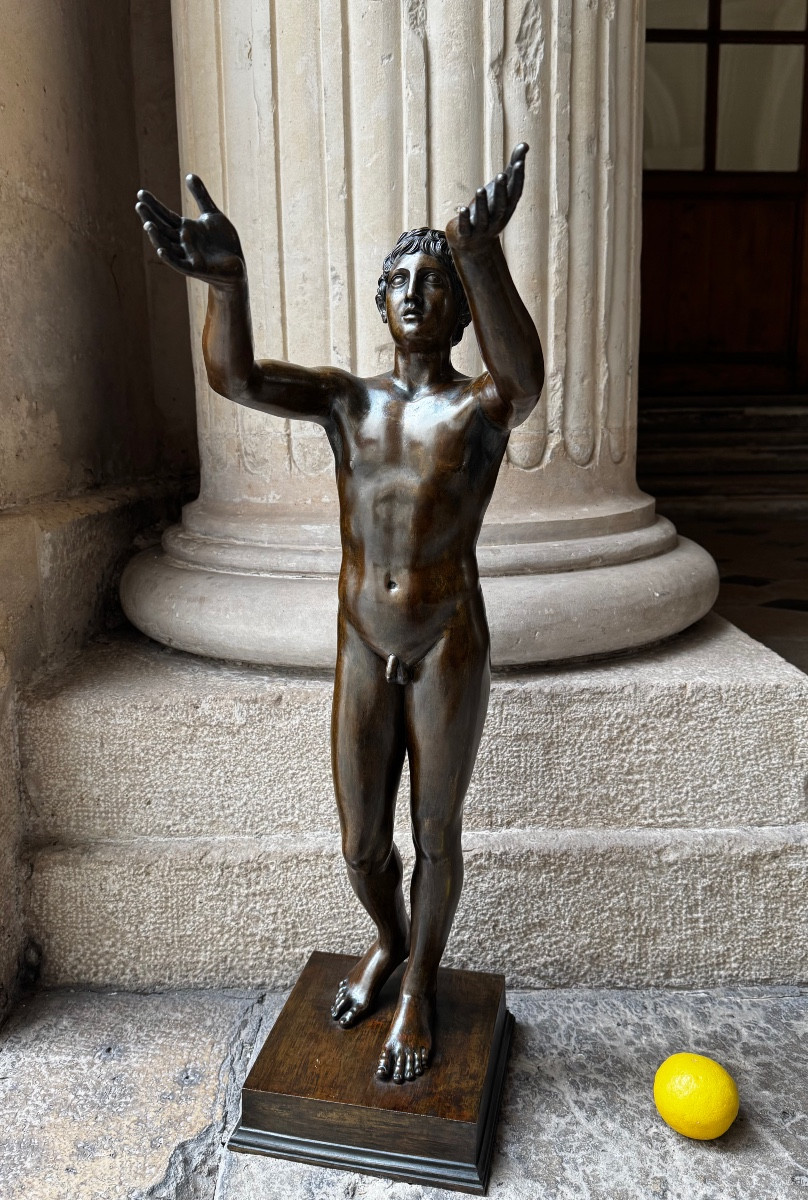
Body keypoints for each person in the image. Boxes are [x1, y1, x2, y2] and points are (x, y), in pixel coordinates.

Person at [136, 144, 543, 1084]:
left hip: (447, 640)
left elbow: (523, 384)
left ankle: (419, 989)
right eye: (397, 279)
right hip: (363, 641)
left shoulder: (480, 407)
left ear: (456, 306)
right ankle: (390, 939)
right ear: (378, 302)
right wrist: (227, 285)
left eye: (433, 280)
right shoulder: (345, 400)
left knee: (436, 833)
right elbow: (237, 380)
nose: (412, 292)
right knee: (363, 843)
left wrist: (480, 255)